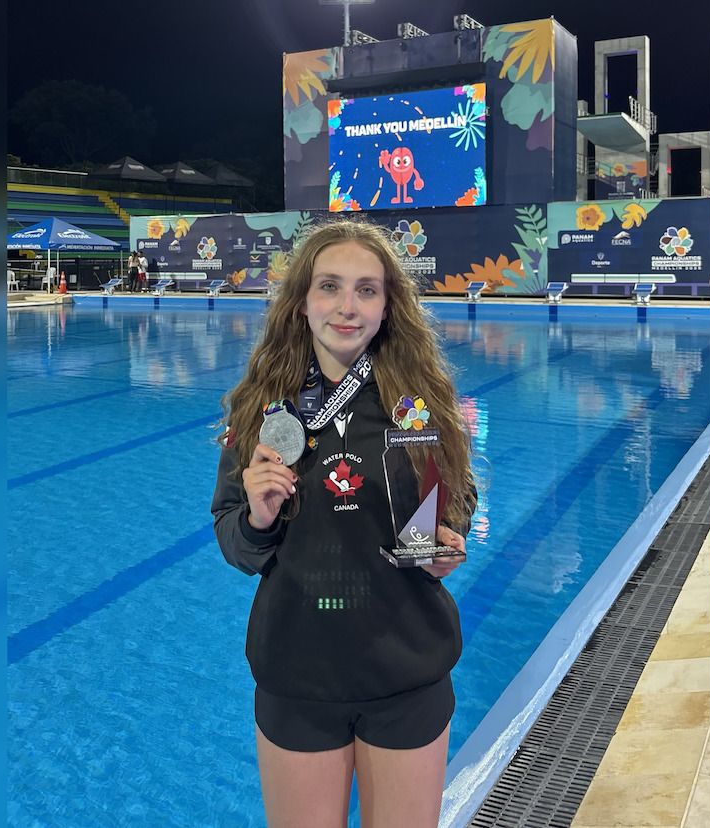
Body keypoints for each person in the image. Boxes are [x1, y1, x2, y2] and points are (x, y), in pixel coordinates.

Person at [211, 219, 476, 827]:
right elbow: (235, 539)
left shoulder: (418, 402)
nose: (347, 307)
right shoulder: (263, 408)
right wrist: (256, 517)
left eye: (366, 290)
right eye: (330, 286)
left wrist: (446, 534)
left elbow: (456, 490)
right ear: (303, 301)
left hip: (406, 668)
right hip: (297, 673)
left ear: (388, 307)